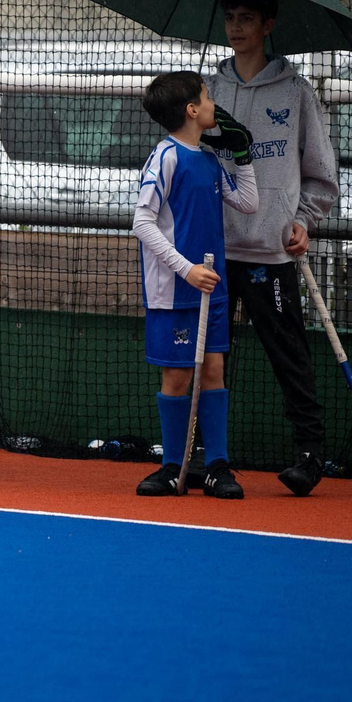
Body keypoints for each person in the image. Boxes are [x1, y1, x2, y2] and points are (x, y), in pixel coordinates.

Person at [205, 0, 341, 495]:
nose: (236, 27)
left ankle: (309, 456)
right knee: (208, 358)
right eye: (230, 17)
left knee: (290, 357)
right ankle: (203, 456)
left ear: (268, 25)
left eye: (246, 18)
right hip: (211, 254)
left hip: (271, 253)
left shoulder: (297, 92)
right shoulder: (207, 92)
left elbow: (321, 176)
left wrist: (302, 220)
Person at [132, 72, 257, 499]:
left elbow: (247, 201)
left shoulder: (208, 159)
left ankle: (217, 467)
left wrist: (243, 154)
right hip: (175, 288)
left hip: (213, 289)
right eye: (206, 97)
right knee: (178, 375)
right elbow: (142, 223)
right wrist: (185, 269)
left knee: (215, 371)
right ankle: (172, 466)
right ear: (191, 110)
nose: (212, 104)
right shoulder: (164, 157)